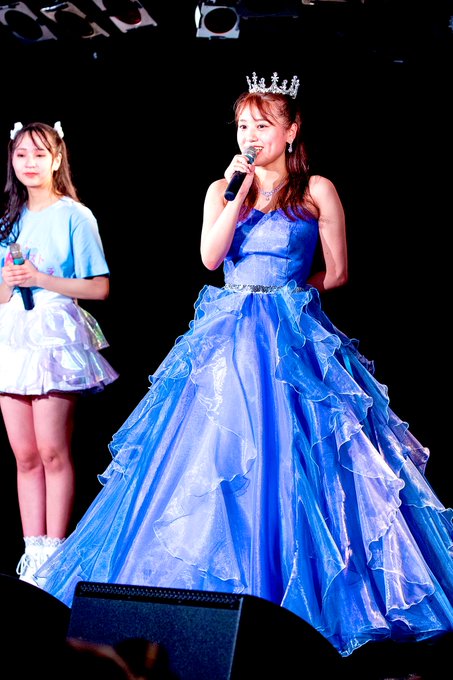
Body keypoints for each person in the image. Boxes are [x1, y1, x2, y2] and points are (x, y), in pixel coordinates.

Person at [37, 74, 453, 658]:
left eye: (263, 124)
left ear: (292, 129)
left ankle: (305, 605)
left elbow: (337, 273)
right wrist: (236, 193)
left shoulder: (317, 189)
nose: (251, 135)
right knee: (213, 455)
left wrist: (286, 294)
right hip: (228, 336)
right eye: (243, 125)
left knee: (301, 460)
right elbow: (210, 258)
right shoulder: (222, 187)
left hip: (291, 333)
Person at [0, 121, 118, 586]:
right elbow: (3, 294)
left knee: (52, 450)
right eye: (21, 154)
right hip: (13, 335)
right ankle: (32, 556)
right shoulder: (8, 218)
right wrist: (9, 281)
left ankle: (55, 556)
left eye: (39, 154)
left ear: (56, 159)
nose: (29, 163)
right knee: (25, 455)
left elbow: (100, 288)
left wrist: (40, 279)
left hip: (55, 332)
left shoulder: (75, 215)